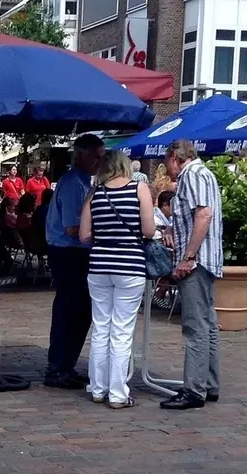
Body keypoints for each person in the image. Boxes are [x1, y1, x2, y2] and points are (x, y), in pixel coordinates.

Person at [79, 150, 155, 408]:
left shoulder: (94, 194)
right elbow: (148, 229)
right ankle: (118, 393)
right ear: (125, 166)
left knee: (100, 328)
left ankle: (97, 389)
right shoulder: (139, 189)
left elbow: (84, 236)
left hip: (99, 265)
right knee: (122, 331)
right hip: (130, 265)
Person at [159, 140, 223, 411]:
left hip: (197, 262)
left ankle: (194, 389)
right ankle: (208, 384)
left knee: (195, 325)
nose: (168, 171)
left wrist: (189, 256)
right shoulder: (203, 174)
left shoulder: (193, 175)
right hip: (205, 259)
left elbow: (203, 215)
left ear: (175, 157)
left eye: (167, 163)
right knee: (207, 323)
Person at [44, 133, 105, 389]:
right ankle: (58, 368)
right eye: (96, 156)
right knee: (69, 312)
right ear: (81, 155)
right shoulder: (73, 184)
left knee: (81, 313)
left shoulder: (84, 183)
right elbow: (72, 228)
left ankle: (66, 365)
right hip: (69, 253)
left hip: (77, 252)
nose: (100, 161)